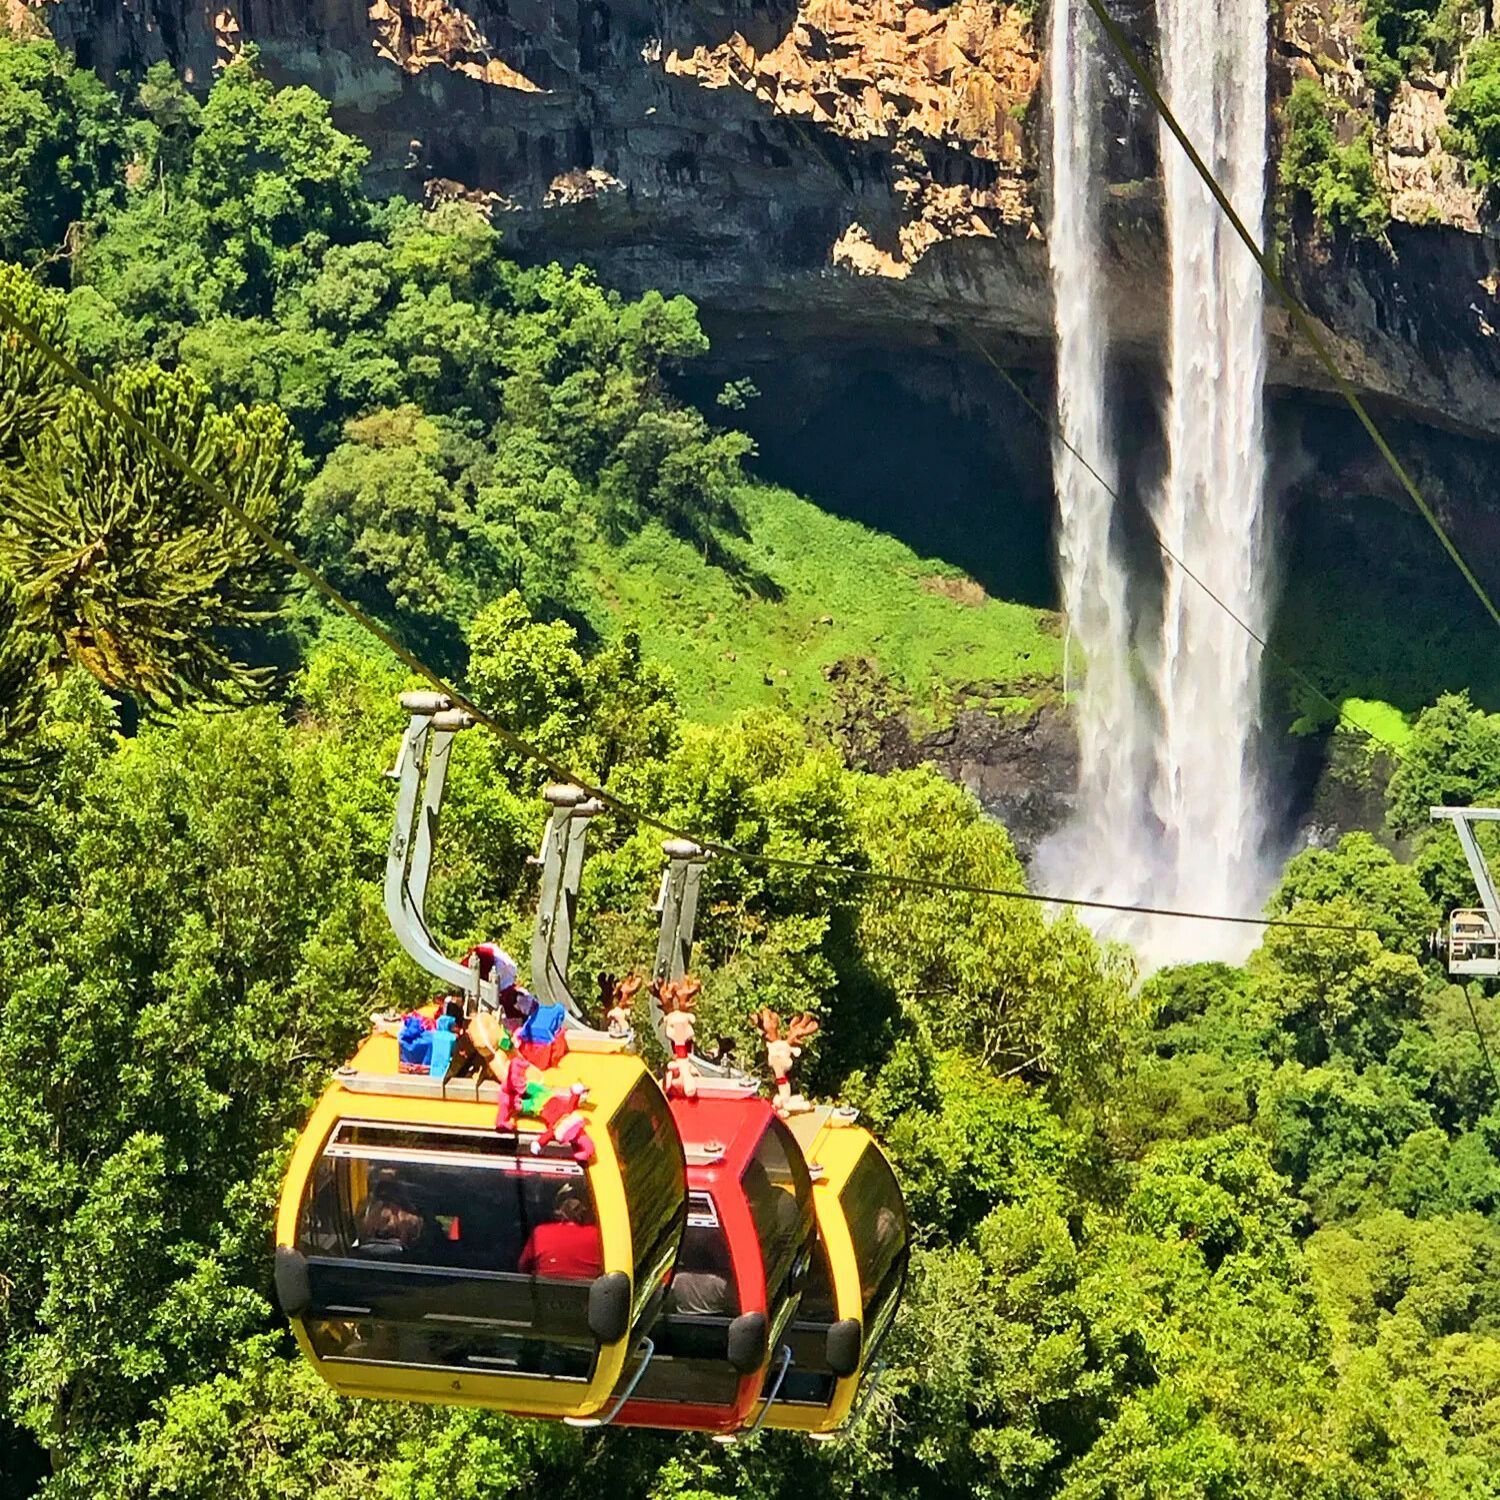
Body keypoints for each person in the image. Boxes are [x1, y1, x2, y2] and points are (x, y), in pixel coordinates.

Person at [518, 1183, 604, 1280]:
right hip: (588, 1293)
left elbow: (524, 1269)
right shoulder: (601, 1236)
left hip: (544, 1293)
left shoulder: (540, 1232)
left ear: (558, 1210)